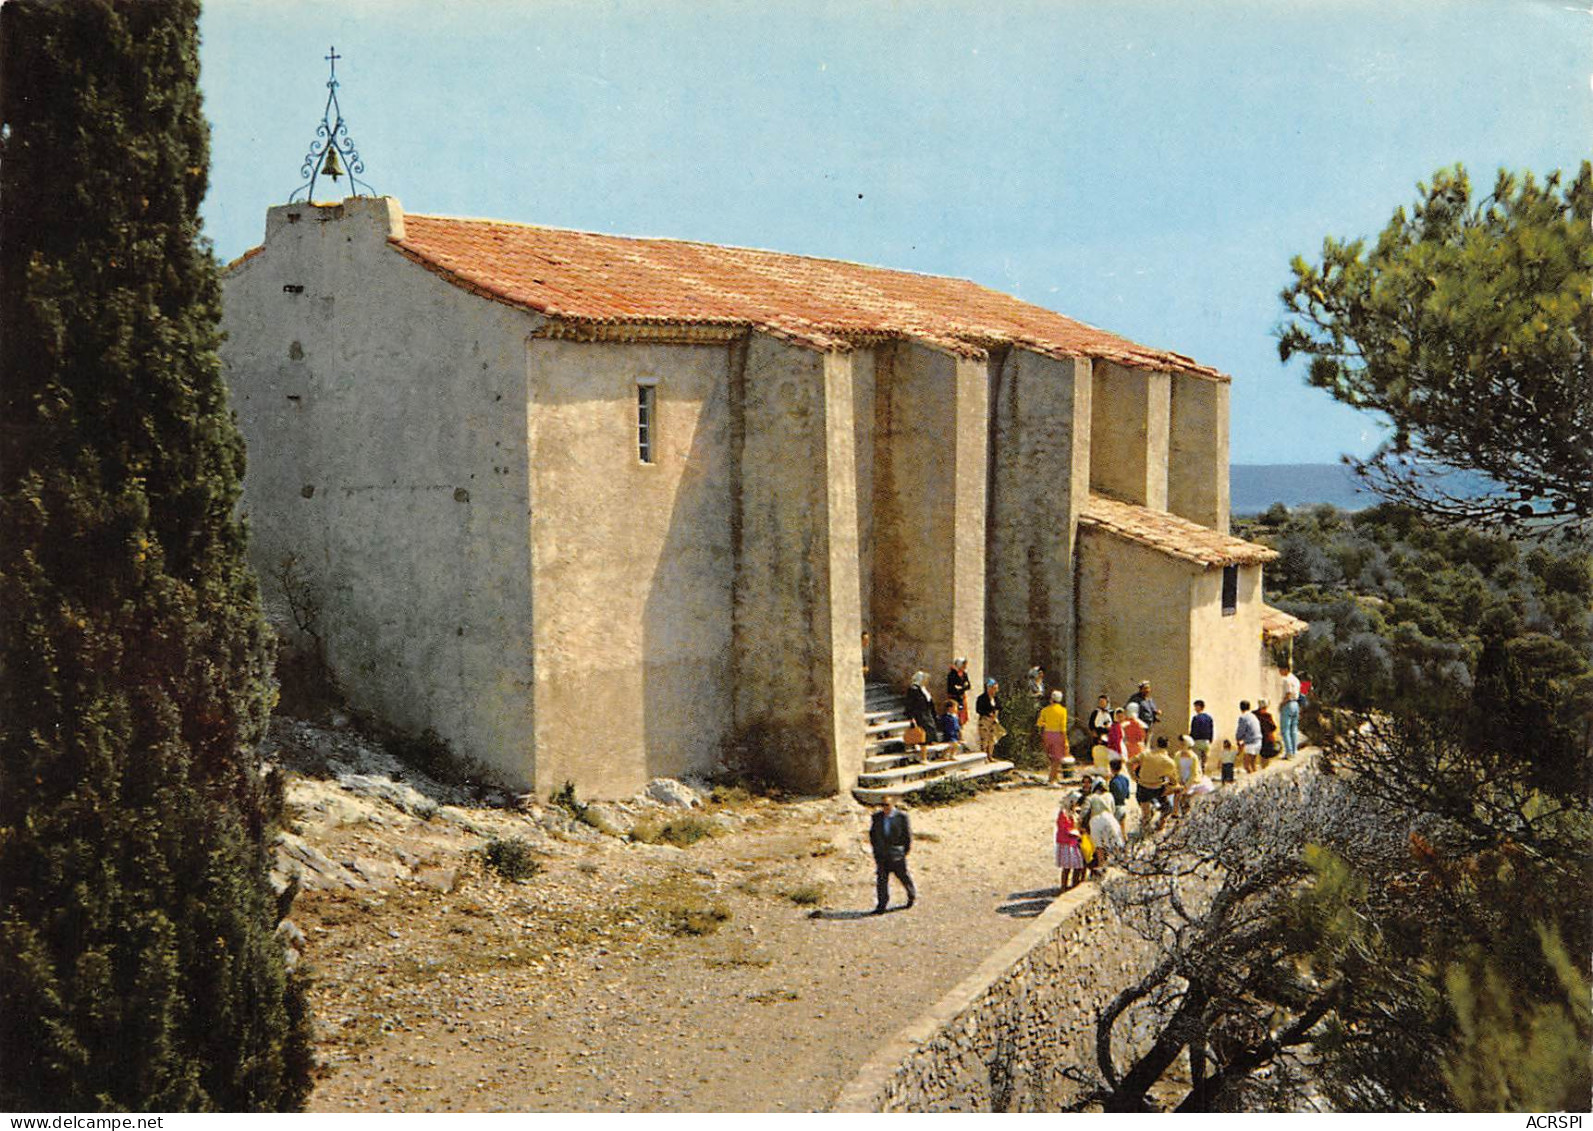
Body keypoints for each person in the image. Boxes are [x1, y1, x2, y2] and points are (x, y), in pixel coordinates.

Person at [869, 795, 915, 914]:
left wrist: (903, 852)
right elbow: (873, 834)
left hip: (896, 855)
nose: (885, 808)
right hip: (882, 855)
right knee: (882, 881)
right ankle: (881, 905)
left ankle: (911, 894)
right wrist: (876, 850)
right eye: (882, 805)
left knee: (903, 876)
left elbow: (907, 836)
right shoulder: (877, 817)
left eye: (887, 805)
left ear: (893, 805)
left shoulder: (901, 817)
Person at [1135, 736, 1179, 836]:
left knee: (1146, 814)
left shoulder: (1146, 757)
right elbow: (1173, 780)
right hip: (1156, 789)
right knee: (1168, 806)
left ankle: (1146, 831)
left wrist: (1136, 778)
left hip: (1143, 789)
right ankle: (1163, 822)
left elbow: (1133, 766)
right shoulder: (1167, 761)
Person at [1085, 778, 1125, 868]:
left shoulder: (1091, 797)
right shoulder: (1109, 795)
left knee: (1099, 846)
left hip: (1095, 820)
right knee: (1115, 842)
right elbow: (1113, 809)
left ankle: (1101, 865)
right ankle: (1118, 863)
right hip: (1109, 818)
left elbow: (1085, 812)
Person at [1036, 690, 1071, 785]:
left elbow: (1039, 723)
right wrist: (1066, 741)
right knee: (1057, 759)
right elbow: (1063, 727)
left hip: (1047, 734)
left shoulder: (1045, 710)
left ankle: (1054, 776)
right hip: (1058, 735)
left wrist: (1047, 723)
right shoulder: (1063, 711)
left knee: (1051, 757)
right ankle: (1051, 779)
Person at [1055, 797, 1086, 891]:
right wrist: (1076, 832)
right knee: (1067, 867)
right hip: (1066, 843)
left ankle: (1074, 885)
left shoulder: (1075, 813)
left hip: (1074, 842)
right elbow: (1064, 828)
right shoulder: (1063, 813)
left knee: (1078, 865)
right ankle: (1064, 887)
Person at [905, 670, 939, 748]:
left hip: (926, 712)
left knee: (930, 727)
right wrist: (911, 717)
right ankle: (923, 747)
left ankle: (929, 742)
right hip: (919, 713)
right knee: (923, 730)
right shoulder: (913, 689)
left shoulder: (923, 688)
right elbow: (910, 703)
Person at [975, 677, 1005, 762]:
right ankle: (983, 757)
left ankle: (990, 756)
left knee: (992, 739)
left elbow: (999, 707)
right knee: (984, 739)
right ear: (988, 688)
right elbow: (978, 709)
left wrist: (995, 713)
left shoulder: (995, 698)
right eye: (993, 688)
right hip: (985, 720)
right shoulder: (982, 698)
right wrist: (988, 713)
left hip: (993, 720)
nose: (995, 690)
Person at [1279, 664, 1302, 759]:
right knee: (1294, 729)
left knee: (1285, 730)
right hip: (1295, 704)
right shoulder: (1296, 679)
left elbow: (1288, 694)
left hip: (1288, 704)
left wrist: (1281, 704)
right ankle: (1294, 751)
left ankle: (1289, 752)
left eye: (1280, 669)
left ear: (1286, 669)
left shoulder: (1287, 679)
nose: (1279, 672)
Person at [1189, 699, 1216, 775]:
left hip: (1197, 741)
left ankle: (1199, 775)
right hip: (1206, 741)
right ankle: (1204, 774)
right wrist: (1210, 739)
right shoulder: (1209, 718)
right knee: (1205, 760)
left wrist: (1191, 740)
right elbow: (1211, 729)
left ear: (1199, 707)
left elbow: (1193, 731)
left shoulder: (1196, 718)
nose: (1194, 708)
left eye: (1195, 706)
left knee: (1197, 760)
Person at [1174, 736, 1199, 816]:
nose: (1180, 746)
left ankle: (1186, 814)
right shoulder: (1177, 755)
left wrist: (1188, 783)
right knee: (1177, 795)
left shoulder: (1193, 757)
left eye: (1183, 744)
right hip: (1180, 779)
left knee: (1186, 798)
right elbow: (1176, 769)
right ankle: (1176, 812)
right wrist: (1178, 779)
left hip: (1190, 780)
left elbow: (1194, 772)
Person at [1235, 700, 1261, 774]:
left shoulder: (1243, 717)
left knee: (1246, 765)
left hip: (1251, 742)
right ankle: (1256, 778)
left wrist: (1238, 740)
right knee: (1253, 764)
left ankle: (1252, 780)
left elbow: (1241, 731)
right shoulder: (1253, 716)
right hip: (1258, 740)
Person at [947, 659, 972, 727]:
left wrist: (961, 688)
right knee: (954, 716)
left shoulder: (964, 674)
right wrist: (962, 686)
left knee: (962, 715)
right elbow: (952, 688)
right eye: (963, 666)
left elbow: (968, 685)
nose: (964, 668)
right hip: (954, 698)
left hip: (961, 697)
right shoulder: (952, 675)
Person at [1108, 758, 1133, 824]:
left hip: (1116, 807)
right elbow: (1127, 795)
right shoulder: (1125, 779)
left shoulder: (1113, 782)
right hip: (1124, 806)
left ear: (1111, 768)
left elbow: (1111, 797)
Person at [1256, 698, 1279, 765]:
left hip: (1259, 739)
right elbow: (1273, 727)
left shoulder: (1255, 714)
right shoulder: (1267, 716)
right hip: (1267, 740)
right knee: (1266, 757)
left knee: (1263, 756)